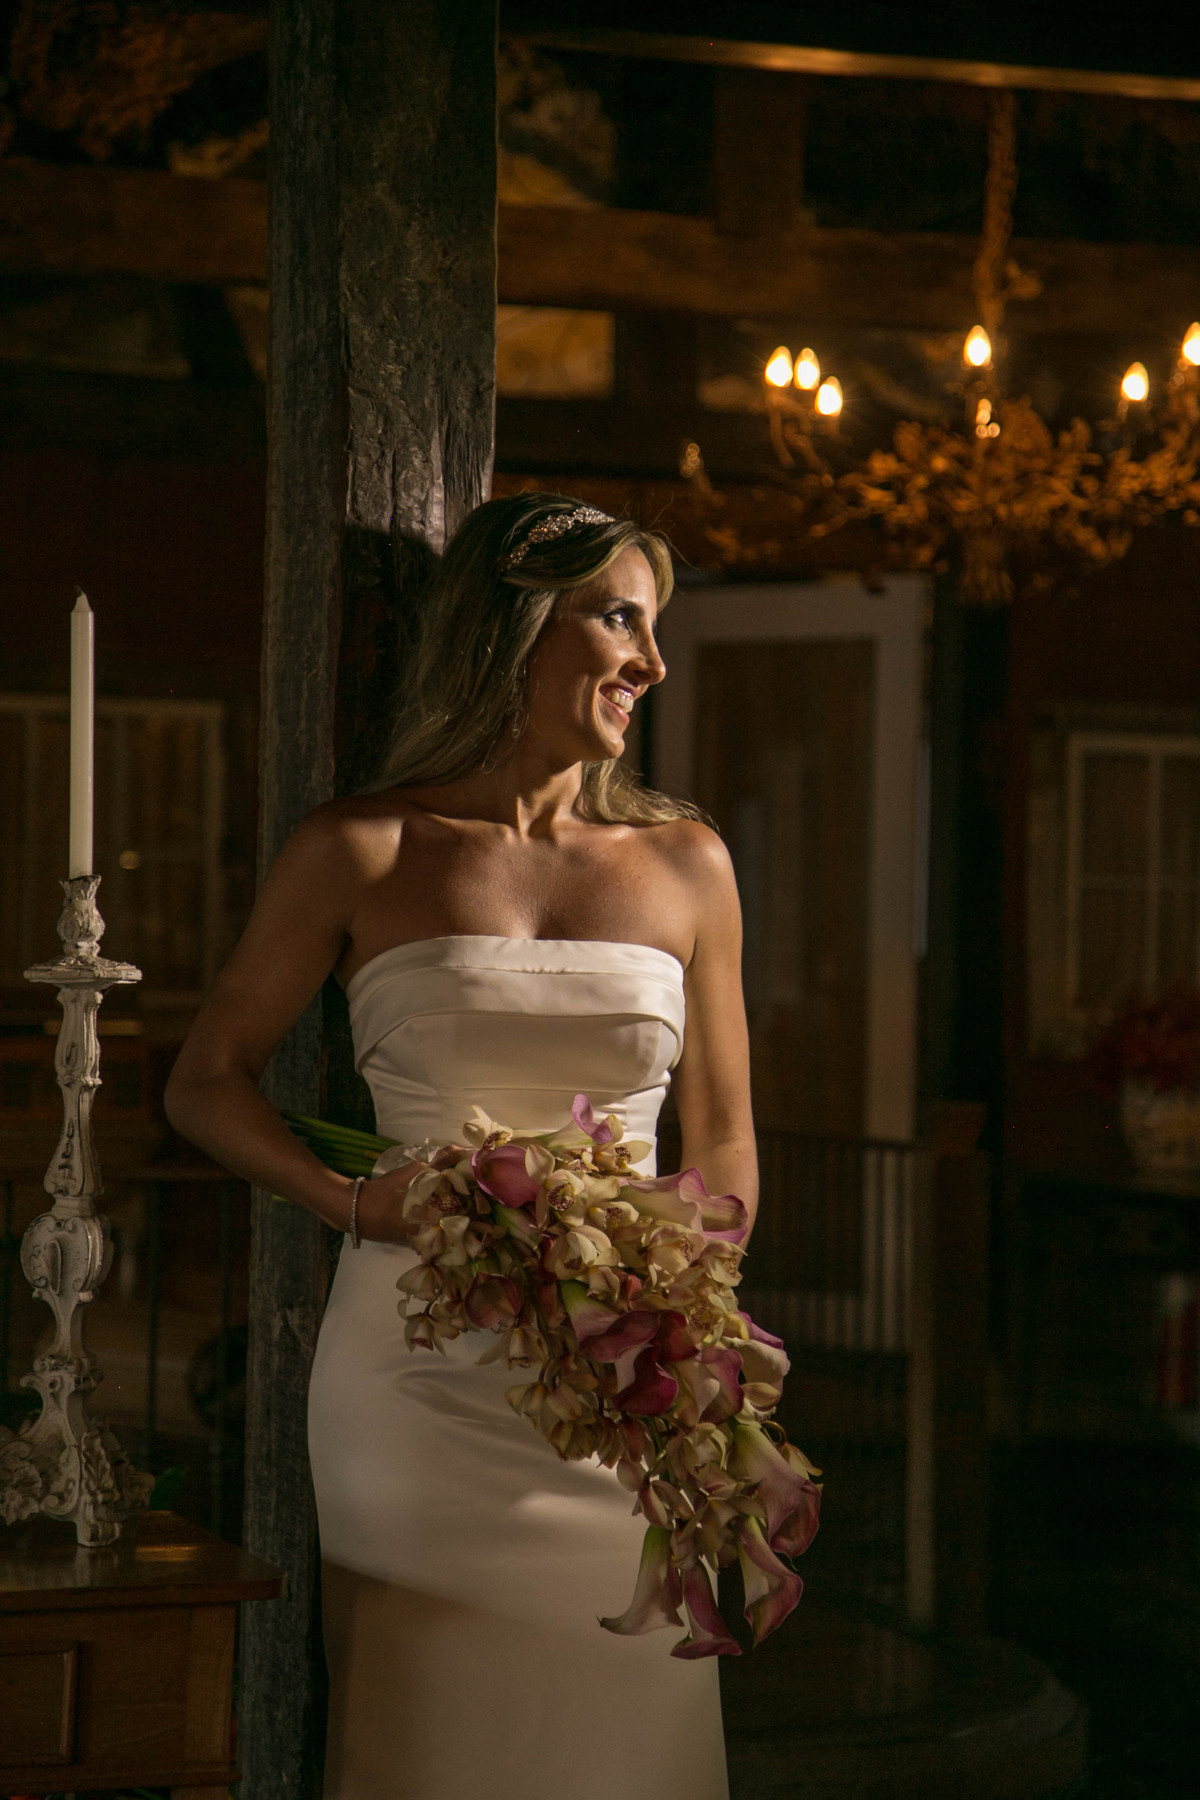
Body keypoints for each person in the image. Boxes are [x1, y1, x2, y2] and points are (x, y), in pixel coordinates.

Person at [165, 494, 757, 1800]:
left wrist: (677, 1305)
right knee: (422, 1736)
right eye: (620, 618)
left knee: (624, 1741)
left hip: (620, 1382)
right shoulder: (361, 847)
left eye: (653, 627)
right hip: (417, 1376)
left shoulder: (688, 862)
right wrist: (354, 1206)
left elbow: (721, 1143)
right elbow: (205, 1083)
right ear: (513, 626)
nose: (650, 663)